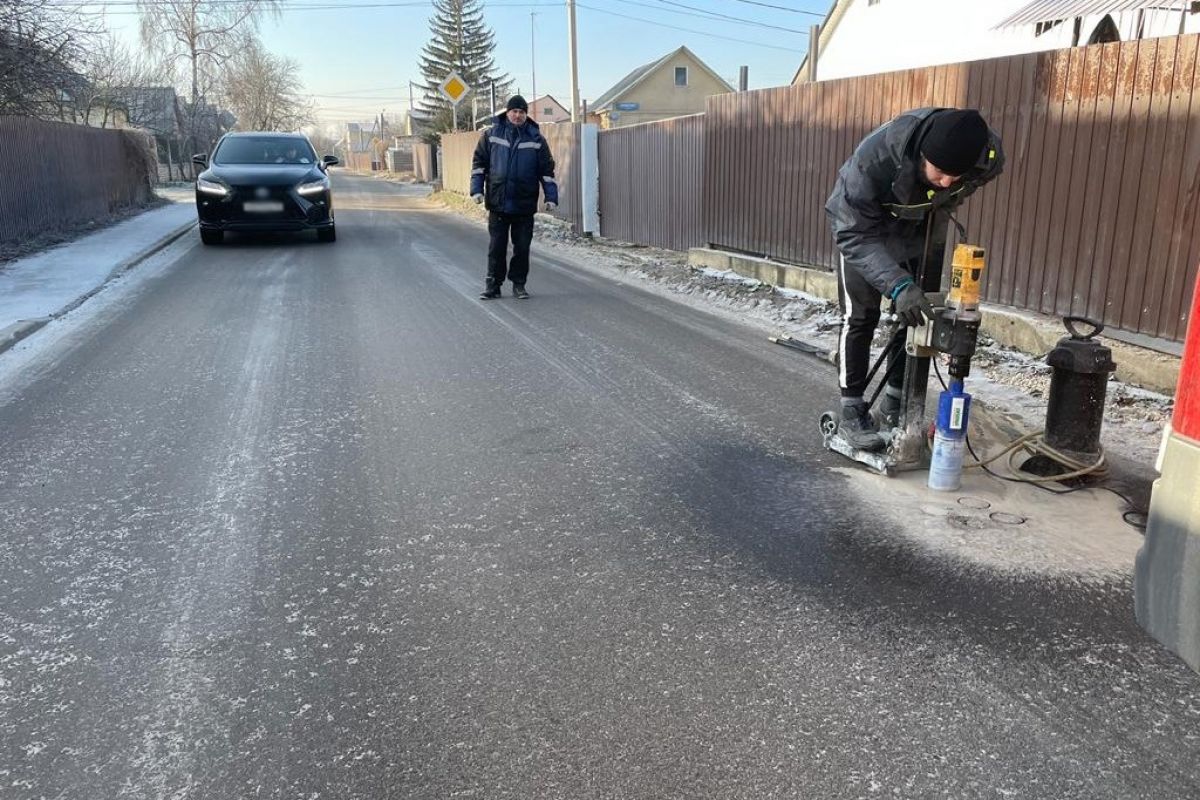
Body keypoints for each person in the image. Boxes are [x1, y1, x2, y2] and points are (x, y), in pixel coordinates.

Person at [825, 107, 1005, 451]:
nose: (949, 182)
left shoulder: (986, 153)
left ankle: (895, 401)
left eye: (957, 175)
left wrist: (944, 197)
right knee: (860, 316)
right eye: (941, 172)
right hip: (866, 231)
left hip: (918, 225)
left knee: (916, 316)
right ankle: (851, 409)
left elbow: (984, 173)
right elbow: (850, 231)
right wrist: (897, 284)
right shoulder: (873, 161)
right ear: (922, 154)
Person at [470, 95, 558, 300]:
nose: (518, 115)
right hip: (498, 202)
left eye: (521, 112)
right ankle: (493, 285)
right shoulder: (491, 135)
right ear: (507, 113)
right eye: (514, 111)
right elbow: (479, 166)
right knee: (496, 247)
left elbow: (546, 171)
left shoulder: (536, 138)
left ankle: (519, 284)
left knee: (522, 247)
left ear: (526, 115)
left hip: (524, 203)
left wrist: (551, 196)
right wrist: (476, 190)